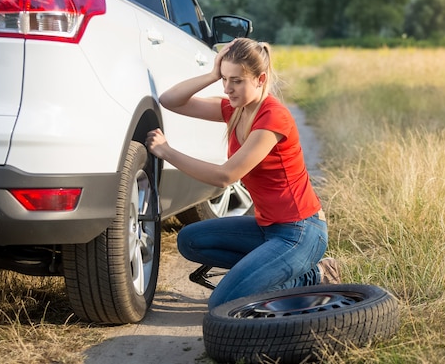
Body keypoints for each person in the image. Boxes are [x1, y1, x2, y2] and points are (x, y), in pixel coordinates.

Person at [145, 38, 340, 309]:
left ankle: (315, 275)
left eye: (236, 81)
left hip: (300, 232)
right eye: (224, 79)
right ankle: (262, 274)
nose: (227, 88)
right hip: (267, 229)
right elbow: (170, 101)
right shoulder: (235, 110)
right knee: (190, 240)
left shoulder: (273, 117)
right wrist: (213, 73)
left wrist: (168, 152)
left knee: (223, 303)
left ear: (260, 79)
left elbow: (225, 176)